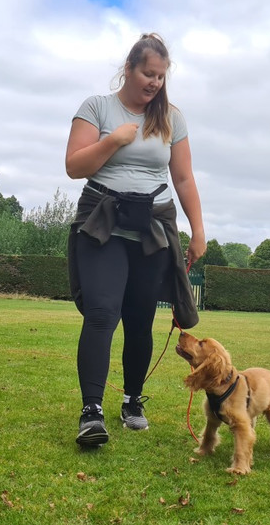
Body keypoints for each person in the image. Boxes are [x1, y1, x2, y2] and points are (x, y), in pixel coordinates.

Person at [65, 33, 206, 447]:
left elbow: (182, 177)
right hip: (102, 223)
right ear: (128, 69)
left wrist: (198, 231)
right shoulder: (97, 107)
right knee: (102, 314)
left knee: (141, 318)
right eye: (148, 74)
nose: (155, 83)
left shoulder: (172, 118)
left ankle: (132, 402)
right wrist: (113, 141)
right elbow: (74, 166)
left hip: (153, 228)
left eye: (161, 77)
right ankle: (92, 411)